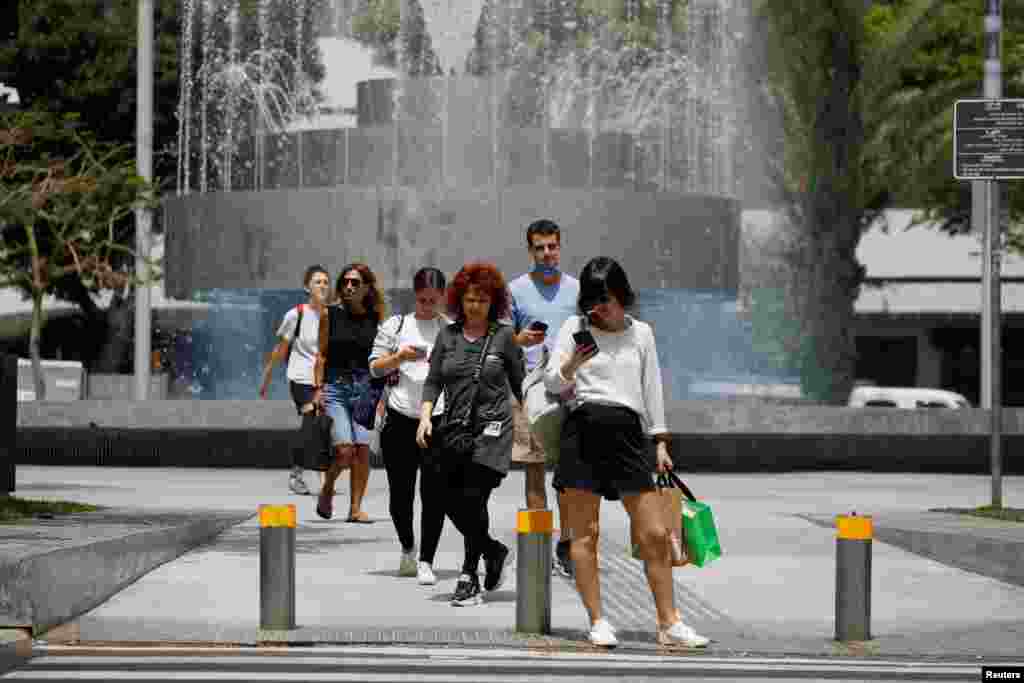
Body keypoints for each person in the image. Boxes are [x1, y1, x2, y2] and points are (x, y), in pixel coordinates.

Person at [545, 256, 709, 649]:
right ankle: (598, 620)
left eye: (605, 299)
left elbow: (652, 389)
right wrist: (572, 363)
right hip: (582, 433)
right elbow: (552, 382)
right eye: (592, 301)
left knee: (655, 533)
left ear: (622, 295)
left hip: (629, 437)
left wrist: (661, 441)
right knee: (585, 535)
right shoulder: (574, 327)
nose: (598, 309)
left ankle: (670, 622)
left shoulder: (642, 334)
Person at [416, 262, 525, 607]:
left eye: (482, 299)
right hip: (455, 430)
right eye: (470, 299)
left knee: (475, 498)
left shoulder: (504, 336)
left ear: (494, 302)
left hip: (493, 432)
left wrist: (538, 422)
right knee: (446, 498)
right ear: (459, 301)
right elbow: (433, 380)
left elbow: (521, 384)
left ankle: (468, 576)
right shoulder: (447, 336)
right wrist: (425, 417)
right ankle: (493, 550)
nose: (475, 305)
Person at [508, 218, 580, 578]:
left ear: (560, 247)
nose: (547, 253)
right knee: (534, 470)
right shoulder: (516, 290)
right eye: (540, 248)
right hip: (531, 391)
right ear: (530, 250)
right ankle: (538, 546)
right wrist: (520, 340)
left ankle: (567, 544)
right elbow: (502, 341)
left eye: (552, 246)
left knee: (569, 474)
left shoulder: (577, 289)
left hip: (571, 390)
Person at [369, 267, 450, 585]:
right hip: (399, 417)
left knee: (434, 494)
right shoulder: (396, 326)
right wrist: (399, 357)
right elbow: (374, 368)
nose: (427, 306)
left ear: (442, 297)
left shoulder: (449, 329)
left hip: (437, 418)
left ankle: (427, 560)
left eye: (433, 300)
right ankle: (408, 546)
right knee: (400, 496)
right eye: (422, 300)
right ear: (414, 296)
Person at [313, 263, 388, 522]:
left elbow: (380, 359)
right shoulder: (329, 314)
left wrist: (382, 397)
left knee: (362, 450)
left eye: (355, 283)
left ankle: (355, 509)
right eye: (345, 282)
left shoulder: (376, 318)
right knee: (345, 451)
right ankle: (327, 487)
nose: (349, 287)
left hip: (366, 389)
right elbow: (321, 355)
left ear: (367, 287)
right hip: (335, 388)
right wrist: (318, 390)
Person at [259, 264, 330, 496]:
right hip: (299, 377)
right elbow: (280, 350)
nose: (323, 286)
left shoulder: (332, 316)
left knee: (323, 425)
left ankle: (323, 477)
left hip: (321, 379)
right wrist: (267, 377)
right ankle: (296, 474)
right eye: (318, 282)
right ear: (307, 287)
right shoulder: (295, 314)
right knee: (311, 417)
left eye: (326, 282)